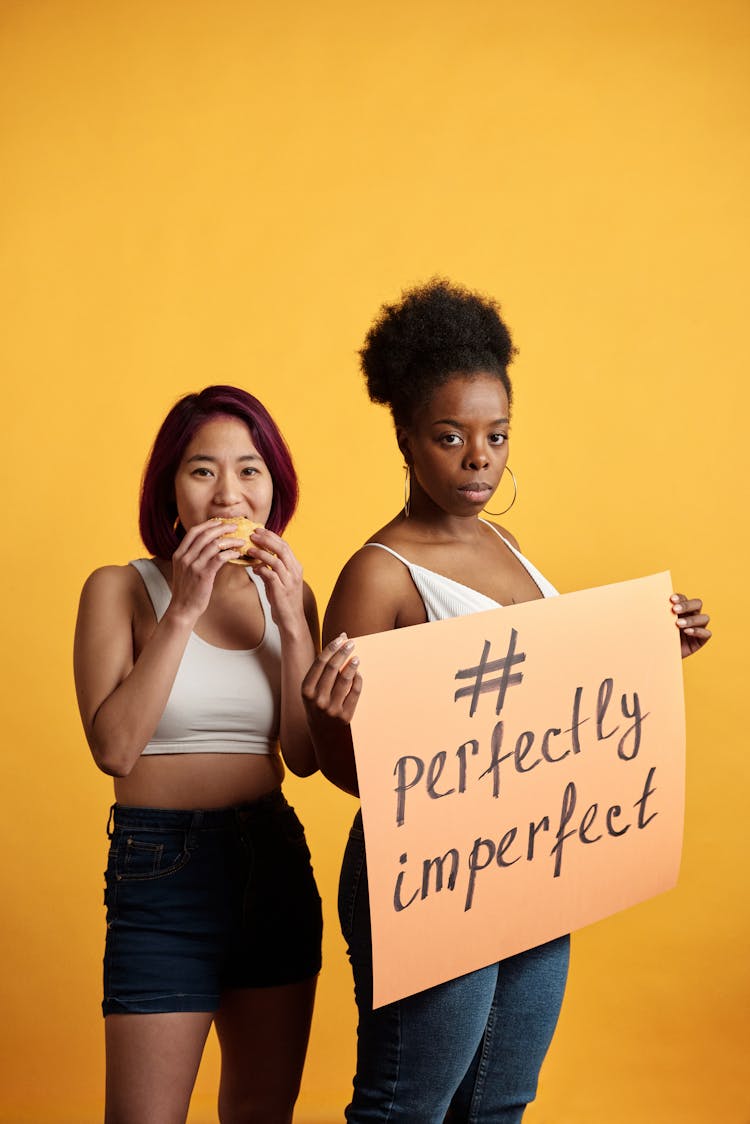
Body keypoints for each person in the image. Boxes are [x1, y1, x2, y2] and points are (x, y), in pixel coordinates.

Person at [302, 279, 712, 1123]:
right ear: (407, 437)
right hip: (427, 871)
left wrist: (651, 647)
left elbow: (546, 703)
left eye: (495, 436)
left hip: (529, 862)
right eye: (451, 437)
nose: (478, 457)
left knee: (497, 1107)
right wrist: (335, 716)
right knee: (403, 1108)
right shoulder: (379, 573)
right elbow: (345, 773)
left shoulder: (505, 543)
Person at [73, 385, 323, 1124]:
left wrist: (293, 626)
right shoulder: (120, 590)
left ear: (274, 488)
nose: (228, 495)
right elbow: (115, 748)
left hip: (271, 859)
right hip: (162, 875)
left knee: (260, 1111)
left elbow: (305, 759)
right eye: (202, 471)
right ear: (170, 492)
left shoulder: (294, 597)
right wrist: (184, 606)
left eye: (249, 470)